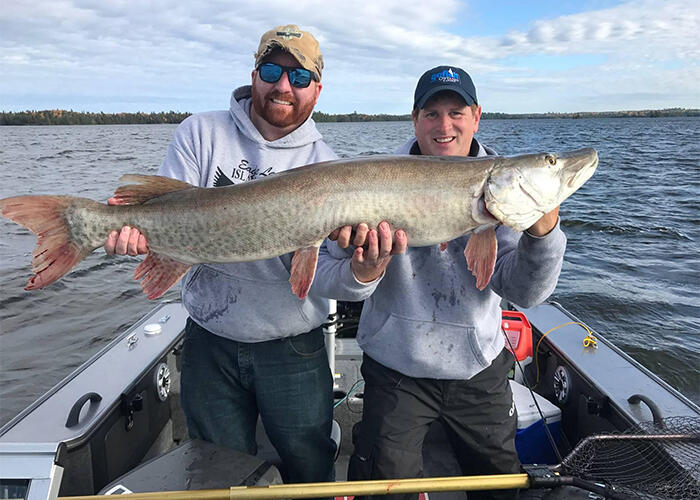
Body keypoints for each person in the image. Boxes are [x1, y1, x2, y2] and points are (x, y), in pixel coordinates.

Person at [315, 66, 567, 500]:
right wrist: (364, 268)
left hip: (479, 369)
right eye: (432, 113)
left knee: (498, 485)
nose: (444, 125)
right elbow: (327, 276)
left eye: (456, 112)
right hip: (397, 369)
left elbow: (525, 294)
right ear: (415, 120)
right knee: (383, 487)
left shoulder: (505, 186)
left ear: (476, 116)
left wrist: (542, 233)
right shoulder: (371, 176)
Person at [104, 25, 338, 485]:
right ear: (255, 73)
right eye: (272, 70)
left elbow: (330, 273)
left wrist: (366, 268)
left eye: (299, 77)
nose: (283, 86)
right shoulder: (201, 132)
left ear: (317, 89)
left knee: (310, 467)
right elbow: (166, 214)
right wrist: (133, 234)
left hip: (293, 348)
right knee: (218, 472)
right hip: (210, 340)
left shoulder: (328, 166)